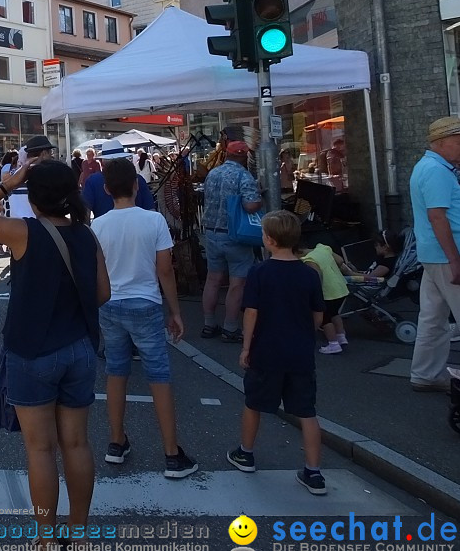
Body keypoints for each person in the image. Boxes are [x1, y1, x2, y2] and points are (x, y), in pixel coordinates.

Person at [0, 159, 106, 551]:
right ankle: (79, 533)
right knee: (77, 444)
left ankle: (46, 539)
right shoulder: (86, 235)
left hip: (32, 350)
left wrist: (10, 183)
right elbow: (103, 294)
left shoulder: (23, 232)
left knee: (40, 449)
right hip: (79, 347)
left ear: (34, 197)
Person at [91, 158, 198, 479]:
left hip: (110, 305)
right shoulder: (153, 221)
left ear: (107, 190)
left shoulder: (98, 226)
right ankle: (171, 453)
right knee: (159, 375)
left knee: (116, 373)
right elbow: (165, 269)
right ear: (137, 186)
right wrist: (175, 312)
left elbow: (96, 273)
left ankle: (116, 442)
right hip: (146, 303)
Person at [227, 210, 326, 496]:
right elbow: (318, 315)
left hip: (266, 350)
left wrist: (246, 346)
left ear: (269, 240)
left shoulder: (260, 272)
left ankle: (246, 453)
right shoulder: (309, 273)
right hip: (300, 352)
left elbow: (252, 312)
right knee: (307, 411)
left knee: (254, 403)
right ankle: (313, 471)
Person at [408, 117, 460, 392]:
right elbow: (438, 216)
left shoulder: (428, 166)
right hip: (447, 254)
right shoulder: (438, 171)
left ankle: (425, 374)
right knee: (437, 316)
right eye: (458, 141)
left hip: (433, 253)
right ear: (441, 143)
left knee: (432, 317)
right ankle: (426, 375)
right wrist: (455, 259)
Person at [200, 140, 262, 342]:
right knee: (237, 283)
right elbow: (251, 205)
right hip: (235, 235)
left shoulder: (213, 173)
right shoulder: (243, 175)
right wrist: (260, 198)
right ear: (244, 156)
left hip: (211, 232)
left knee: (213, 279)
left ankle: (209, 324)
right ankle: (230, 328)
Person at [81, 140, 156, 219]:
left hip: (103, 228)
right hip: (139, 228)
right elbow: (150, 209)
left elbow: (85, 214)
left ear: (102, 161)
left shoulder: (93, 181)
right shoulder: (137, 178)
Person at [298, 242, 350, 355]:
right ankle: (341, 337)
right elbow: (340, 260)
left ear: (298, 252)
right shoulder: (323, 248)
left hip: (328, 292)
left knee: (325, 319)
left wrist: (315, 294)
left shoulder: (308, 260)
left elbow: (317, 277)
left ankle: (333, 343)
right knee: (334, 313)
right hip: (341, 287)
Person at [7, 136, 58, 219]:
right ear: (44, 154)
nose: (52, 156)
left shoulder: (16, 174)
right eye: (50, 152)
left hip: (16, 226)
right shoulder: (48, 174)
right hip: (40, 226)